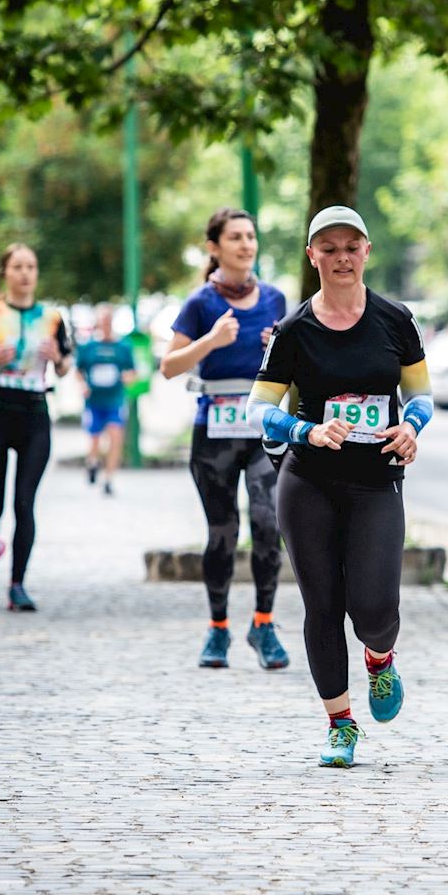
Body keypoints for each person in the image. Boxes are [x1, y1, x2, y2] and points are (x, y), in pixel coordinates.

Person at [247, 205, 433, 767]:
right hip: (309, 481)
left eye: (351, 246)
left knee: (374, 607)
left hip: (377, 479)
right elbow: (260, 407)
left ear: (367, 251)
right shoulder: (295, 330)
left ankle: (380, 659)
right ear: (312, 256)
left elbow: (421, 395)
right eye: (328, 248)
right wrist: (307, 429)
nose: (341, 257)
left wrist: (412, 426)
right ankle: (340, 724)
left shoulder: (395, 320)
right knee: (321, 605)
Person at [162, 208, 290, 670]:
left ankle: (264, 624)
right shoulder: (200, 303)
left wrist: (280, 346)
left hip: (262, 431)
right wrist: (210, 341)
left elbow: (299, 363)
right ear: (214, 247)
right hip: (214, 433)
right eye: (235, 237)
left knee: (267, 525)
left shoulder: (275, 299)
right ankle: (217, 630)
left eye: (251, 236)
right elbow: (169, 366)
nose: (246, 244)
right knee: (222, 534)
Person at [0, 243, 73, 612]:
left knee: (25, 503)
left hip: (35, 417)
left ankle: (17, 585)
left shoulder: (53, 317)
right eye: (18, 266)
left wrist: (58, 360)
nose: (25, 273)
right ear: (5, 272)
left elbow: (67, 366)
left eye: (31, 267)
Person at [75, 303, 137, 496]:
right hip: (94, 401)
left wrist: (128, 378)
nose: (106, 323)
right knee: (94, 439)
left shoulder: (123, 347)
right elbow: (78, 370)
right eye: (102, 320)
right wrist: (82, 385)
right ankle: (92, 463)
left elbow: (132, 371)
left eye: (108, 320)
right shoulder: (88, 347)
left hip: (114, 400)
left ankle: (109, 479)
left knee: (115, 438)